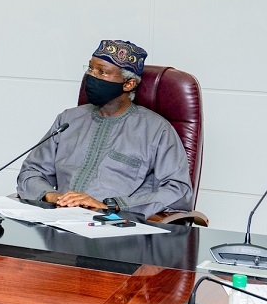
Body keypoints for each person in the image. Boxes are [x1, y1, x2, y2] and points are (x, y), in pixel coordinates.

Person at [16, 40, 193, 218]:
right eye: (90, 69)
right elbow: (31, 172)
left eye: (102, 72)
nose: (91, 76)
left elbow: (178, 192)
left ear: (128, 84)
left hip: (115, 227)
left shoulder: (157, 130)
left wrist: (111, 206)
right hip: (59, 220)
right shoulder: (68, 119)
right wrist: (54, 197)